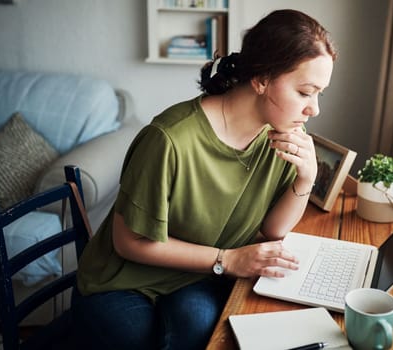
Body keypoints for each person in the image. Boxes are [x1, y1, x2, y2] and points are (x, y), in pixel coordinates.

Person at [70, 8, 336, 350]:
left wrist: (306, 178)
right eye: (305, 92)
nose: (314, 109)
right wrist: (228, 259)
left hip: (194, 275)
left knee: (202, 323)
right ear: (262, 79)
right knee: (145, 336)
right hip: (122, 280)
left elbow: (274, 231)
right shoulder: (170, 139)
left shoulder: (282, 133)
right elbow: (127, 241)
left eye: (319, 94)